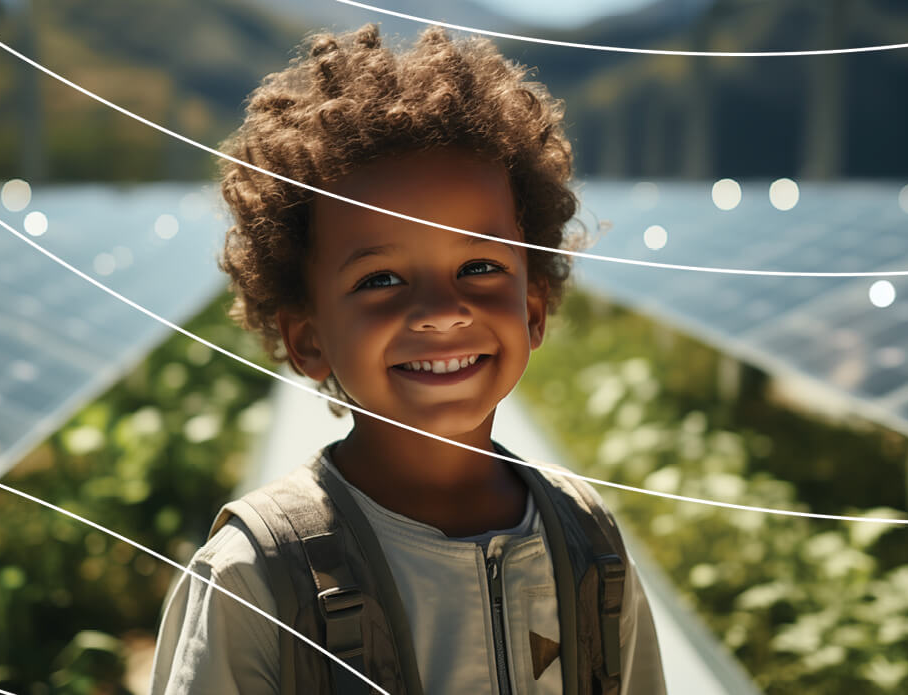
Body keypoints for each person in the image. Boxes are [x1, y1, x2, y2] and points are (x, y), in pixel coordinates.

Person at [148, 23, 666, 695]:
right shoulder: (256, 575)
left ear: (532, 308)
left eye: (478, 266)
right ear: (308, 339)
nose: (441, 309)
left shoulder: (588, 542)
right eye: (381, 279)